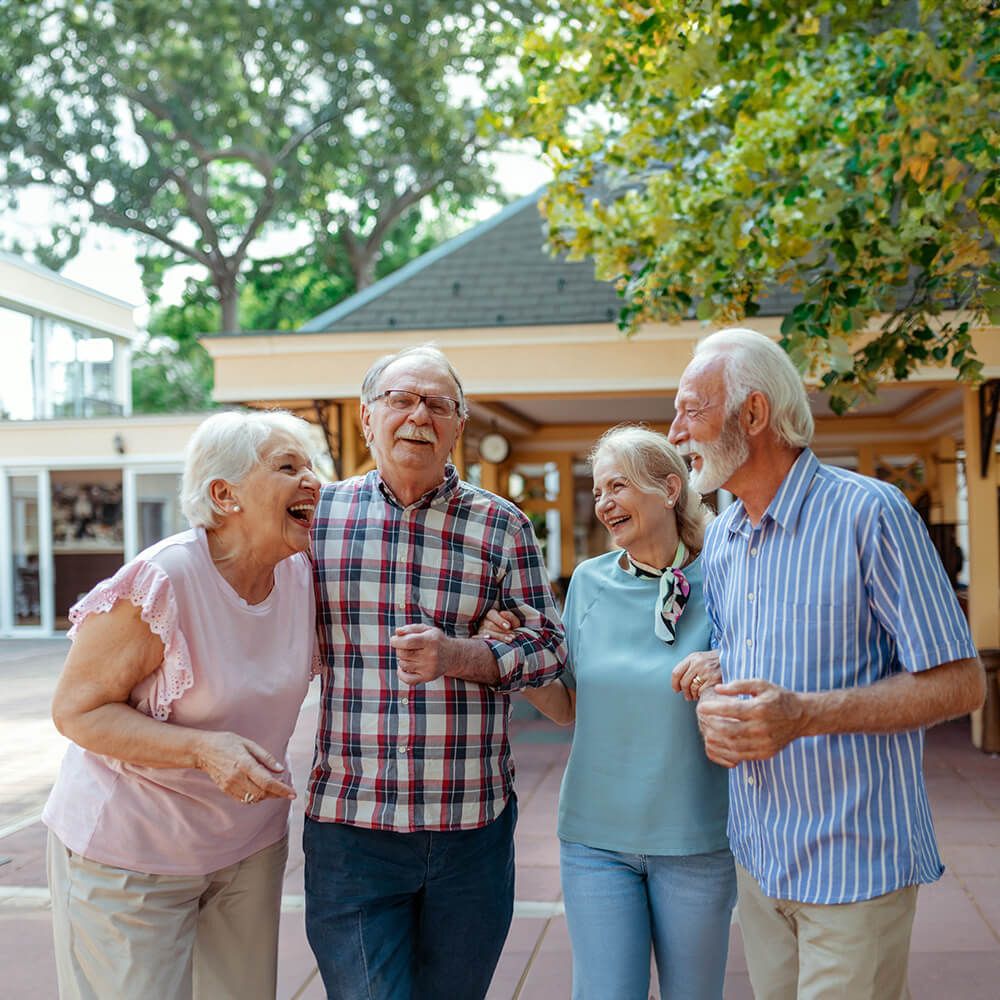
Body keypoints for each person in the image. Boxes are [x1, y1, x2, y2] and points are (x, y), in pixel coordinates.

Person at [667, 328, 986, 1000]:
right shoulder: (722, 537)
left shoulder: (871, 513)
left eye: (690, 410)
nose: (675, 432)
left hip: (855, 862)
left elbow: (960, 682)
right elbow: (751, 651)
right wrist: (714, 668)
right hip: (759, 859)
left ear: (752, 415)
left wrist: (805, 715)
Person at [304, 344, 567, 1000]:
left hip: (470, 827)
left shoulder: (501, 526)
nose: (418, 414)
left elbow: (551, 648)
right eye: (400, 398)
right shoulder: (319, 520)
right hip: (352, 826)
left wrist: (462, 655)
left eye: (437, 403)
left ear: (458, 425)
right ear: (368, 418)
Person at [43, 410, 321, 1000]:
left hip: (247, 846)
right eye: (288, 467)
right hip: (131, 852)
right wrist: (200, 748)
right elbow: (76, 711)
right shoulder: (162, 580)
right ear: (226, 495)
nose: (313, 481)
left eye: (313, 466)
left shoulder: (303, 577)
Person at [481, 425, 736, 1000]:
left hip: (695, 836)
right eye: (598, 492)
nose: (604, 504)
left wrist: (729, 662)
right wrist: (518, 654)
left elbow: (763, 671)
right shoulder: (589, 582)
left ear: (670, 489)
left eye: (618, 486)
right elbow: (568, 705)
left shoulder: (727, 577)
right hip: (595, 837)